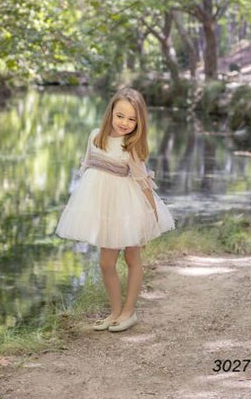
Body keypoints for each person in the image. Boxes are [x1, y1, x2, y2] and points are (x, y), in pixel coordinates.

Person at [55, 87, 176, 332]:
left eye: (132, 119)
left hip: (129, 207)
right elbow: (87, 169)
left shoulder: (130, 146)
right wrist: (82, 204)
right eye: (120, 116)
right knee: (105, 262)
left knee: (132, 257)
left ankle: (129, 312)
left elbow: (143, 184)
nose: (125, 123)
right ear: (111, 112)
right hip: (105, 207)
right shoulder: (95, 137)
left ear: (139, 122)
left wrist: (151, 218)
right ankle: (115, 311)